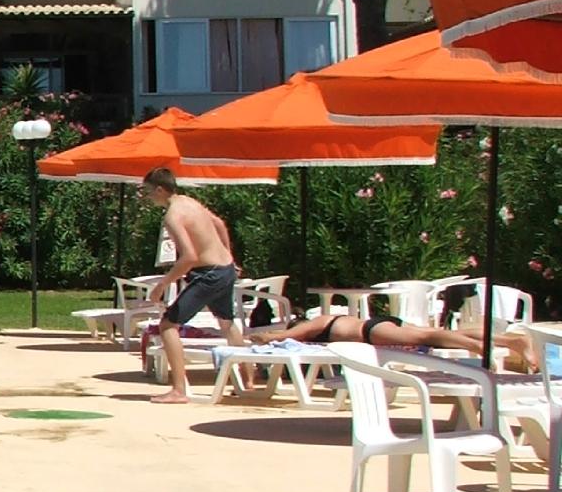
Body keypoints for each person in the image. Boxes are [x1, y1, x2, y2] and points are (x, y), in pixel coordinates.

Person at [141, 167, 241, 403]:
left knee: (168, 325)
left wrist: (162, 285)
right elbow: (219, 223)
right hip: (225, 268)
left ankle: (179, 390)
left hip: (209, 274)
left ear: (160, 190)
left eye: (148, 191)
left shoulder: (172, 216)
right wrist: (229, 254)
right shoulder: (190, 202)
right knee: (227, 323)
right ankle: (246, 381)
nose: (148, 196)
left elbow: (189, 257)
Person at [241, 311, 542, 372]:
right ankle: (509, 341)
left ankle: (477, 346)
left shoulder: (318, 322)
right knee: (434, 334)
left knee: (428, 336)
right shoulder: (326, 321)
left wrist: (264, 337)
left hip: (370, 332)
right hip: (378, 326)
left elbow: (286, 336)